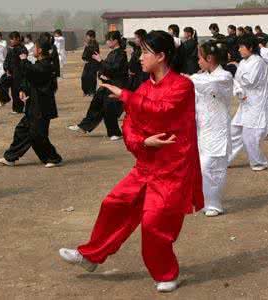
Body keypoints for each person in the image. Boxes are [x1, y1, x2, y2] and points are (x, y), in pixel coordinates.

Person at [59, 30, 203, 293]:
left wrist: (125, 95)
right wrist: (141, 143)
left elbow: (162, 111)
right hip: (146, 165)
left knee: (153, 223)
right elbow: (131, 125)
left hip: (173, 169)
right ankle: (91, 255)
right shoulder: (144, 88)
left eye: (145, 52)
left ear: (161, 56)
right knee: (114, 204)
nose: (140, 57)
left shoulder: (183, 86)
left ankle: (166, 273)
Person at [0, 36, 62, 168]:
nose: (33, 50)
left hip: (42, 106)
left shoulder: (47, 64)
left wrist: (24, 61)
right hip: (34, 105)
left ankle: (53, 158)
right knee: (22, 130)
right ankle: (10, 157)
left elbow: (34, 73)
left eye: (35, 48)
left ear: (40, 50)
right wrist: (23, 90)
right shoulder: (38, 64)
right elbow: (29, 78)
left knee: (37, 135)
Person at [189, 41, 233, 217]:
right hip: (203, 128)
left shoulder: (224, 77)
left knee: (211, 167)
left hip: (217, 130)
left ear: (209, 58)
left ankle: (214, 204)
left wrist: (188, 78)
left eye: (200, 57)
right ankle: (205, 200)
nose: (198, 61)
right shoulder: (201, 76)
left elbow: (209, 84)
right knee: (201, 167)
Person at [68, 31, 128, 141]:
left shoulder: (121, 54)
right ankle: (84, 126)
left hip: (115, 85)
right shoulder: (112, 53)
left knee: (109, 109)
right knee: (95, 104)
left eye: (108, 40)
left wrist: (100, 61)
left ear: (115, 41)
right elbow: (105, 68)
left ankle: (115, 133)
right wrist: (102, 74)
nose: (107, 42)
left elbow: (114, 69)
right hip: (107, 84)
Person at [229, 35, 268, 171]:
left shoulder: (258, 62)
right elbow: (239, 81)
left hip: (255, 103)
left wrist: (236, 74)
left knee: (249, 136)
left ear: (250, 48)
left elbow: (250, 81)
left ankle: (259, 162)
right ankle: (225, 160)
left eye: (242, 47)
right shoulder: (244, 62)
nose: (239, 50)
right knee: (233, 131)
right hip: (245, 103)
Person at [0, 31, 27, 112]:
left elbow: (24, 61)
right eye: (10, 39)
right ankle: (5, 99)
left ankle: (18, 109)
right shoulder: (11, 49)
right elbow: (6, 60)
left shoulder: (22, 49)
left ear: (17, 39)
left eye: (12, 39)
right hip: (9, 73)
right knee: (0, 83)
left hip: (18, 74)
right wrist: (6, 69)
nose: (11, 41)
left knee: (16, 91)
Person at [81, 30, 100, 96]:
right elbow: (85, 52)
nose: (87, 37)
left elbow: (95, 52)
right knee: (84, 77)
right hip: (88, 63)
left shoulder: (95, 43)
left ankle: (92, 91)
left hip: (93, 63)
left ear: (91, 36)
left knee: (92, 77)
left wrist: (87, 46)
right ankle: (86, 91)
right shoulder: (88, 43)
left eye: (87, 36)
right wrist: (84, 58)